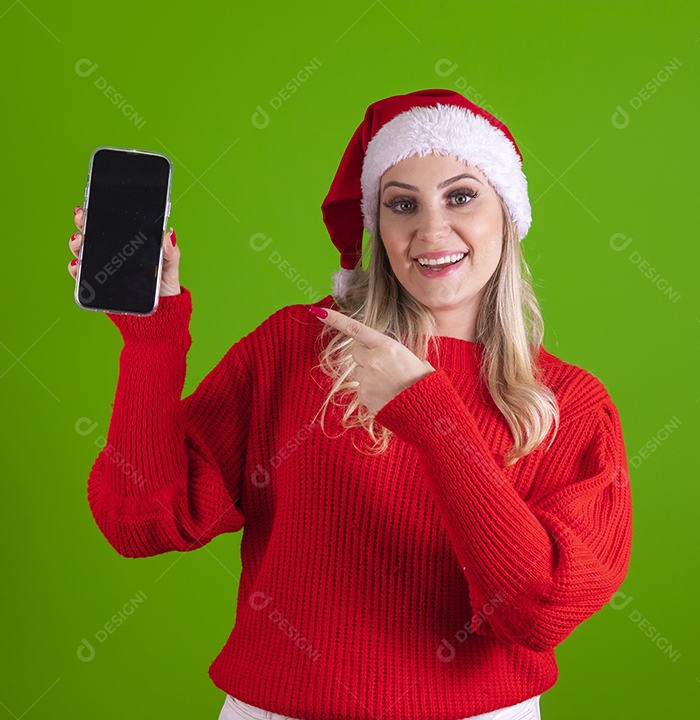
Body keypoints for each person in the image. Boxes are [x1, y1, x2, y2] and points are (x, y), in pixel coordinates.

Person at [67, 89, 633, 720]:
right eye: (401, 204)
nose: (431, 229)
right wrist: (152, 339)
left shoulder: (573, 407)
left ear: (507, 211)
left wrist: (432, 419)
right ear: (378, 226)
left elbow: (536, 609)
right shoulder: (296, 347)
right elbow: (142, 520)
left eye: (461, 195)